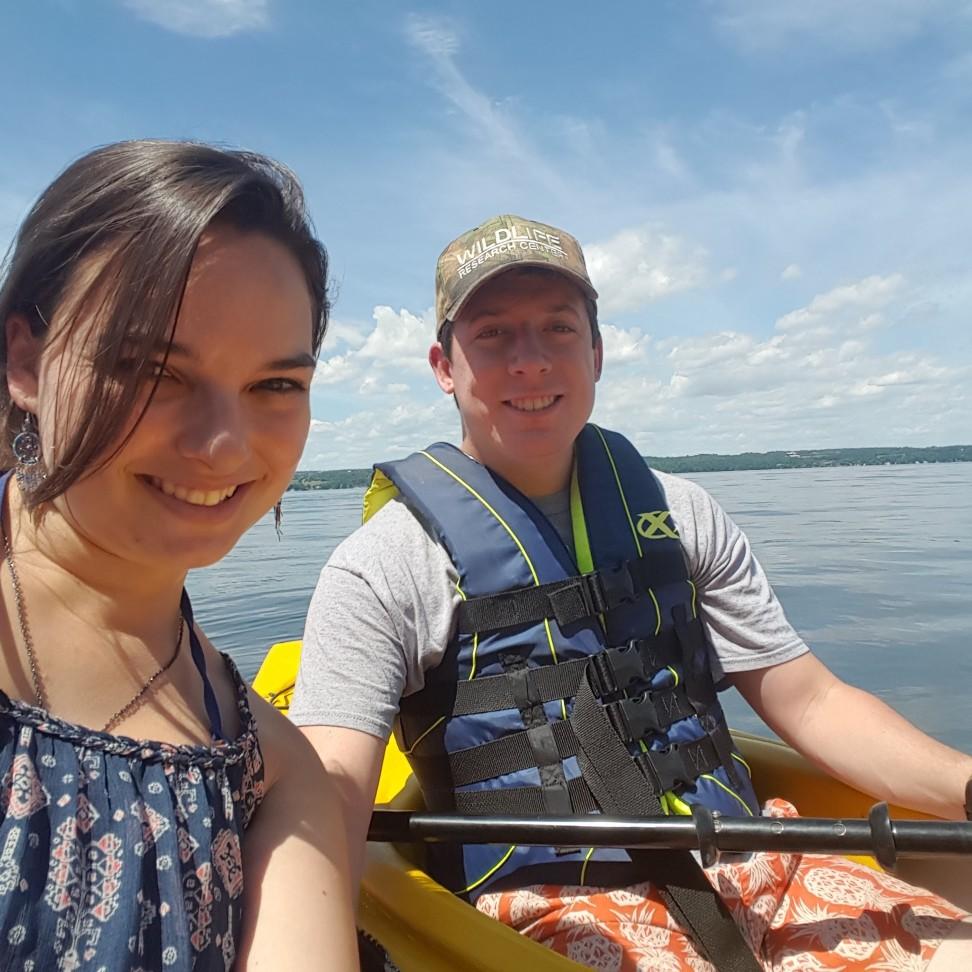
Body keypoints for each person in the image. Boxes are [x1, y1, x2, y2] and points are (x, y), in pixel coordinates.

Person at [290, 214, 972, 971]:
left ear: (597, 353)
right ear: (444, 366)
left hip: (757, 859)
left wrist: (965, 786)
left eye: (557, 328)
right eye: (492, 334)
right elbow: (333, 792)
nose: (530, 361)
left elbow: (809, 700)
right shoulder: (382, 568)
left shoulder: (683, 514)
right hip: (550, 904)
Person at [0, 140, 358, 970]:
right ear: (25, 359)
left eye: (276, 386)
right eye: (152, 368)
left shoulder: (268, 773)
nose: (224, 447)